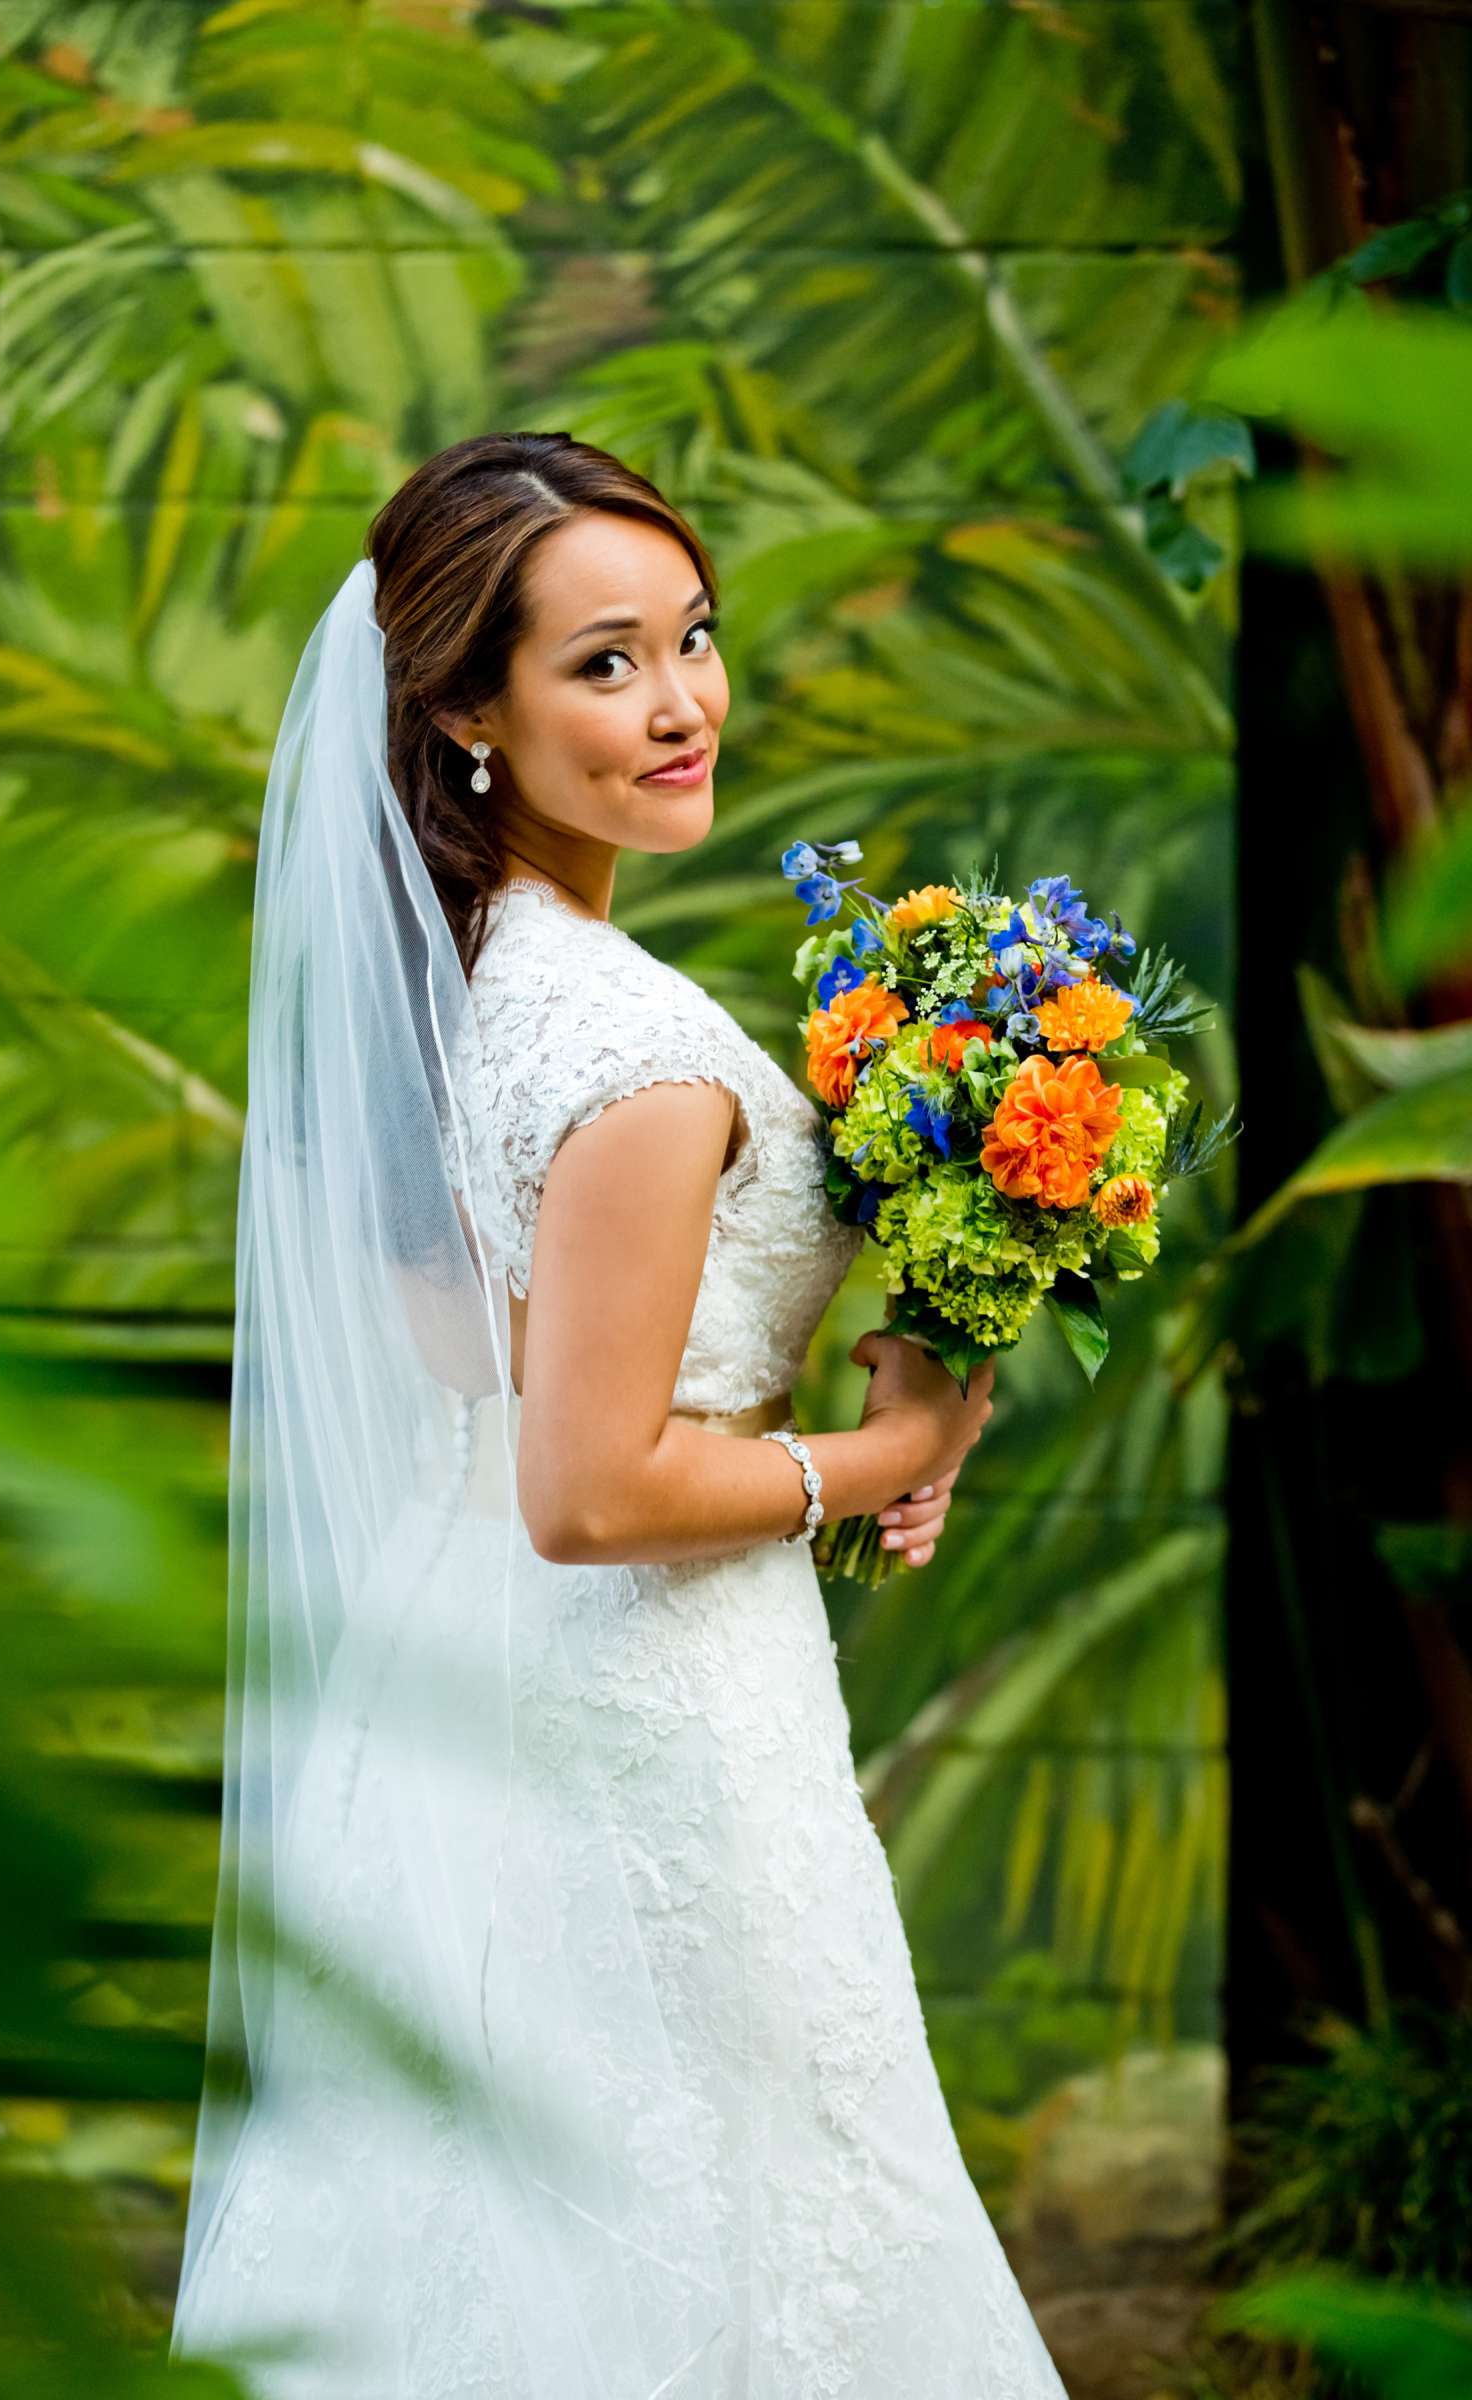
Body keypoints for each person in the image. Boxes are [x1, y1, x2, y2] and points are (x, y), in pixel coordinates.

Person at [169, 430, 1067, 2397]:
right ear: (463, 710)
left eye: (690, 639)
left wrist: (761, 1370)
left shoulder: (466, 988)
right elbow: (586, 1488)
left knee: (497, 2213)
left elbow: (470, 1360)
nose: (677, 707)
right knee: (724, 2215)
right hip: (644, 1705)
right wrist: (886, 1452)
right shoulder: (637, 1054)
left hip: (452, 1685)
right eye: (600, 663)